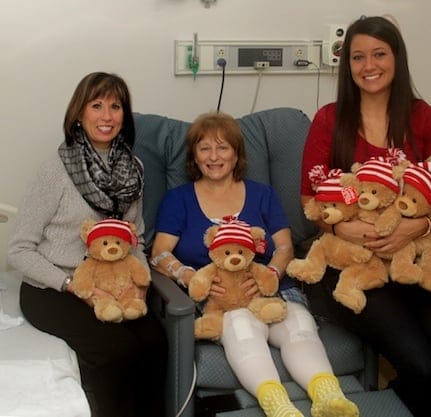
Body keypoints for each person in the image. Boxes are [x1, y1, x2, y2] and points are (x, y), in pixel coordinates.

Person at [300, 15, 431, 417]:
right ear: (348, 65)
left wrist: (421, 224)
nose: (368, 65)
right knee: (423, 369)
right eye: (358, 57)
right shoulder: (329, 118)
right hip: (350, 264)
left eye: (379, 54)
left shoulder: (420, 116)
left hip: (407, 257)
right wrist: (345, 225)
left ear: (397, 58)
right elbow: (309, 198)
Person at [150, 111, 360, 417]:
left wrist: (270, 276)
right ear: (194, 156)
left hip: (272, 290)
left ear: (237, 154)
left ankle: (329, 397)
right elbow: (159, 254)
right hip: (219, 299)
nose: (214, 156)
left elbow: (286, 246)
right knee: (241, 325)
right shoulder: (178, 199)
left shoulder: (263, 195)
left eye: (223, 147)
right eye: (204, 148)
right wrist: (190, 275)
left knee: (298, 324)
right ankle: (278, 406)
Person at [8, 72, 167, 417]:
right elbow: (18, 249)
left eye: (115, 106)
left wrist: (138, 283)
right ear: (79, 113)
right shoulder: (56, 170)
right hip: (54, 288)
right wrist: (72, 286)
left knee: (155, 340)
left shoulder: (133, 169)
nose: (107, 116)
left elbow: (134, 236)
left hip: (116, 283)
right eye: (97, 105)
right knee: (115, 348)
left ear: (125, 115)